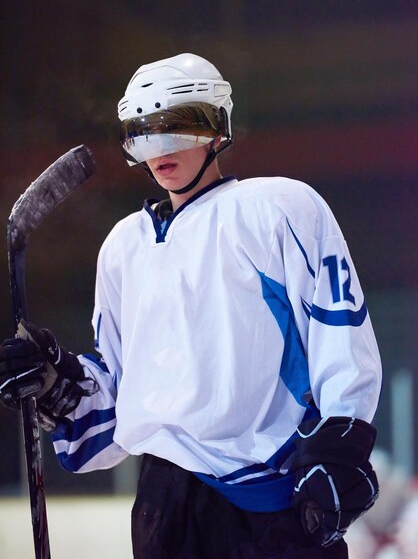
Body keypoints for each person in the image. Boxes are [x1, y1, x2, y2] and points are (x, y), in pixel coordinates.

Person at [0, 53, 382, 559]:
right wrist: (59, 384)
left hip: (273, 497)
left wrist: (341, 440)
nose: (159, 149)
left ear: (217, 128)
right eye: (142, 134)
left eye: (176, 129)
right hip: (164, 508)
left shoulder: (279, 209)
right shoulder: (123, 247)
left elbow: (339, 326)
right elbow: (117, 396)